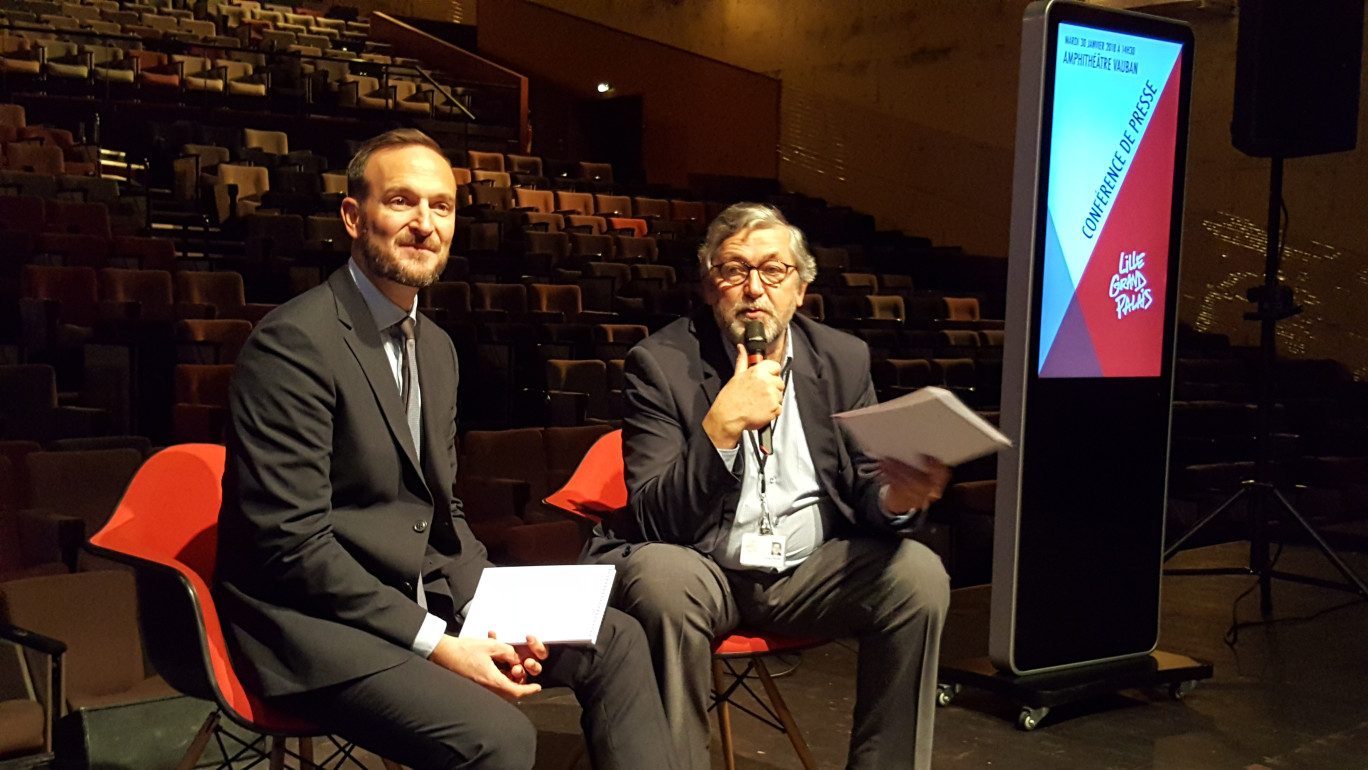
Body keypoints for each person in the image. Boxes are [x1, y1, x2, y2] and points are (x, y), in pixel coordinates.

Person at [214, 128, 675, 770]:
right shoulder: (293, 344)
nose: (425, 223)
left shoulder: (435, 346)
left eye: (441, 206)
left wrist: (487, 603)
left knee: (617, 638)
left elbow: (440, 508)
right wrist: (440, 642)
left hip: (417, 591)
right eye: (402, 201)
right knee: (499, 736)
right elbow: (292, 547)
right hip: (311, 622)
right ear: (354, 216)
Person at [584, 202, 952, 770]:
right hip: (705, 570)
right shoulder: (659, 364)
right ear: (711, 288)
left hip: (810, 570)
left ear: (800, 288)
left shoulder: (843, 359)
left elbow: (864, 482)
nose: (754, 288)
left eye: (773, 271)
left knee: (918, 577)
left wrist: (895, 497)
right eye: (735, 270)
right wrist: (720, 428)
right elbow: (657, 520)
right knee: (658, 578)